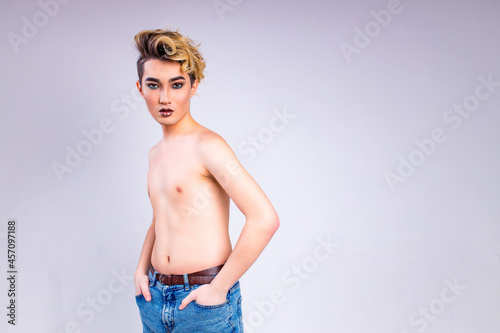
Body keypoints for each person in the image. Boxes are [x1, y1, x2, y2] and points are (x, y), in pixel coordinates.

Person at [133, 28, 280, 332]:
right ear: (140, 88)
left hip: (202, 303)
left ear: (193, 86)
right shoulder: (154, 154)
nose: (164, 97)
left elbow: (264, 219)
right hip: (154, 299)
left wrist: (219, 288)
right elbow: (160, 218)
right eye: (153, 85)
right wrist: (140, 269)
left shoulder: (208, 146)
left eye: (176, 85)